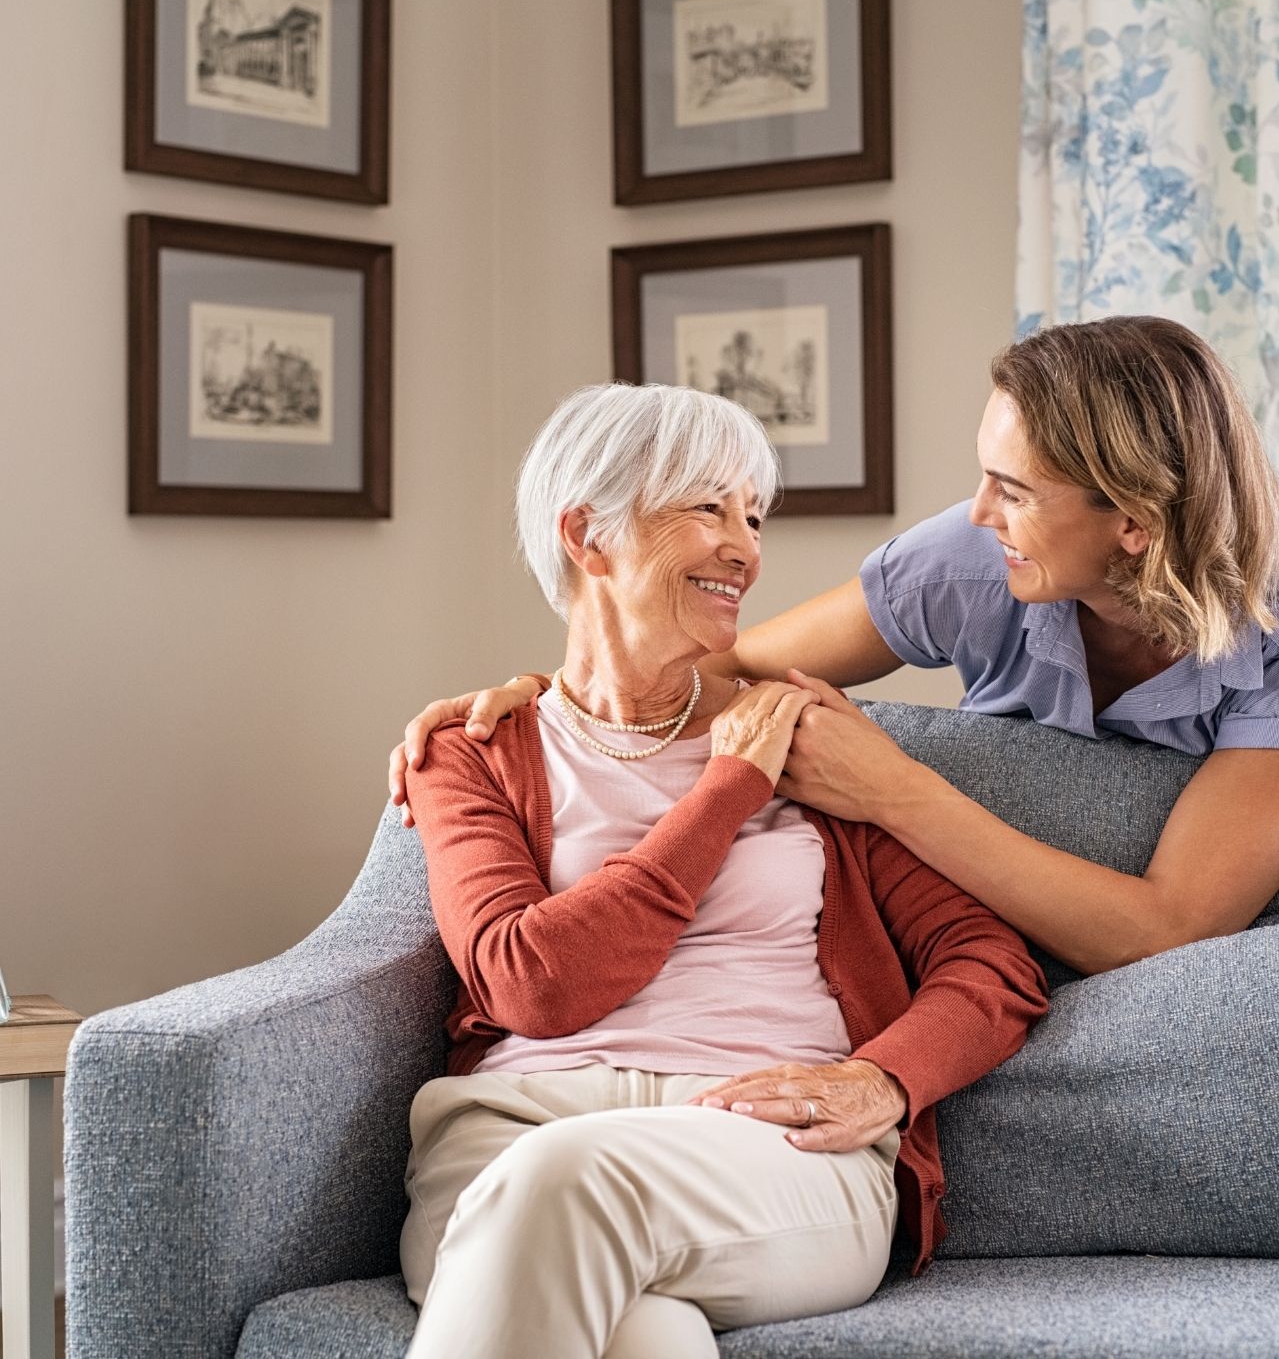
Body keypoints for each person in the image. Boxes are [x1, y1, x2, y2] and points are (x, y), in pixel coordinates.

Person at [391, 317, 1279, 978]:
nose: (975, 510)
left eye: (1014, 489)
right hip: (977, 944)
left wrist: (892, 788)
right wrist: (546, 695)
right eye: (982, 473)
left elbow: (1171, 929)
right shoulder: (968, 559)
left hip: (1184, 975)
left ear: (1131, 521)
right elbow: (716, 671)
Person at [400, 382, 1049, 1359]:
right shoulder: (477, 747)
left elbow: (989, 961)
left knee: (564, 1182)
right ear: (587, 533)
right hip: (510, 1131)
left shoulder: (810, 738)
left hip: (766, 1144)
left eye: (752, 515)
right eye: (706, 506)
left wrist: (881, 1077)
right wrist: (724, 793)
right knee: (644, 1336)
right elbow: (531, 982)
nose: (744, 547)